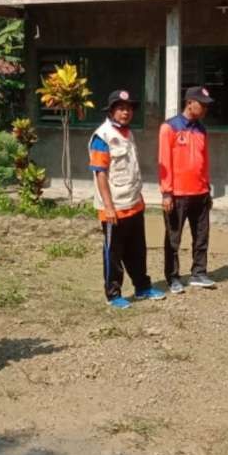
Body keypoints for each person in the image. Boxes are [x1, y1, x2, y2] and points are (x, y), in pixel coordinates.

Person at [89, 90, 165, 308]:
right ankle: (113, 295)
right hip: (114, 208)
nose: (126, 112)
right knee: (113, 253)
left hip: (133, 204)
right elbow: (100, 173)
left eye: (129, 108)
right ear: (112, 110)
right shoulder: (102, 137)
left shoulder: (127, 133)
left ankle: (142, 287)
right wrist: (109, 207)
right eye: (121, 108)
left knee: (138, 251)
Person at [159, 86, 216, 293]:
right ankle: (173, 277)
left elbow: (205, 161)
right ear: (189, 102)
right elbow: (164, 162)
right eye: (202, 104)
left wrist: (207, 188)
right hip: (177, 195)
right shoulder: (169, 127)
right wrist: (167, 192)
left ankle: (199, 273)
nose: (205, 109)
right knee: (173, 239)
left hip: (200, 193)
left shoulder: (202, 129)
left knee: (201, 236)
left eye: (207, 106)